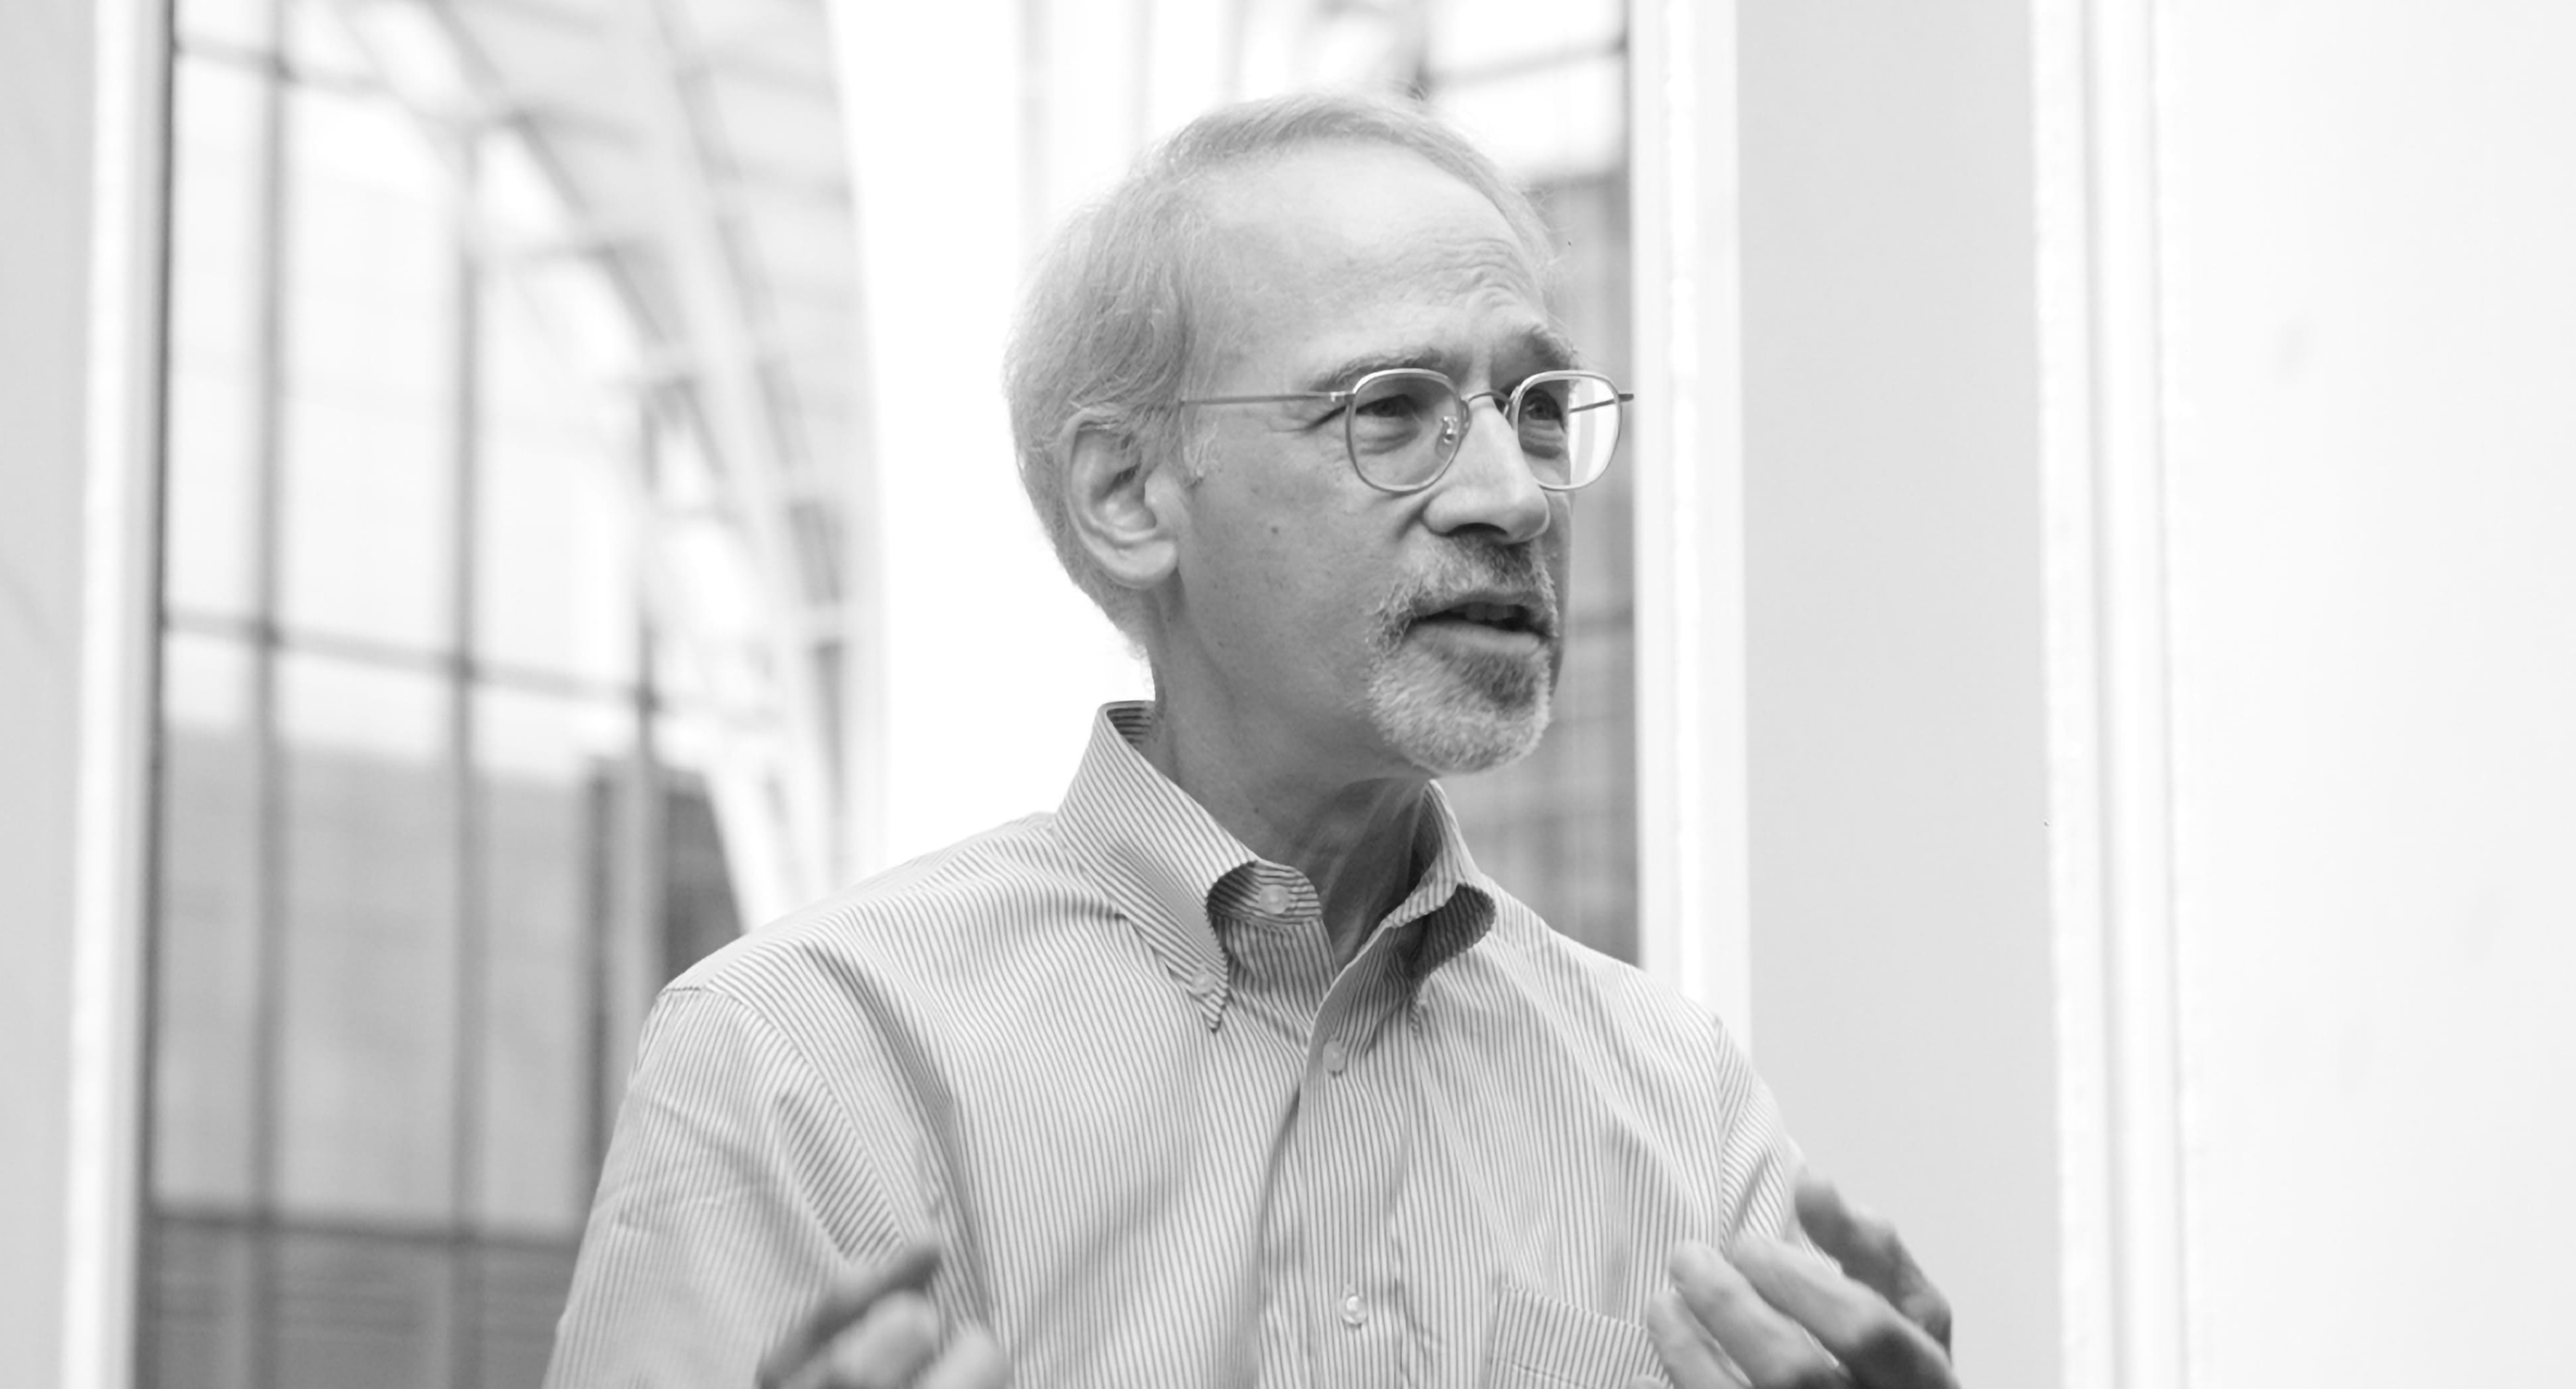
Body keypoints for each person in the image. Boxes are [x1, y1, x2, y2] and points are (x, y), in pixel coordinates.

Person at [545, 92, 1959, 1389]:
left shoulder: (1680, 1100)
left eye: (1538, 412)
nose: (1516, 498)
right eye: (1391, 410)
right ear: (1127, 495)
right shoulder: (800, 1053)